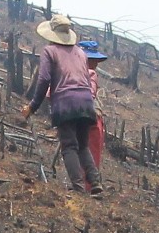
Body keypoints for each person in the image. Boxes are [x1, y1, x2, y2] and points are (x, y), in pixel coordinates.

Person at [23, 14, 101, 195]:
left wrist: (33, 106)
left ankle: (78, 188)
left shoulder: (49, 51)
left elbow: (44, 79)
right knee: (83, 145)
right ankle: (95, 182)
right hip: (86, 102)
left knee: (69, 146)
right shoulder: (81, 53)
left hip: (65, 103)